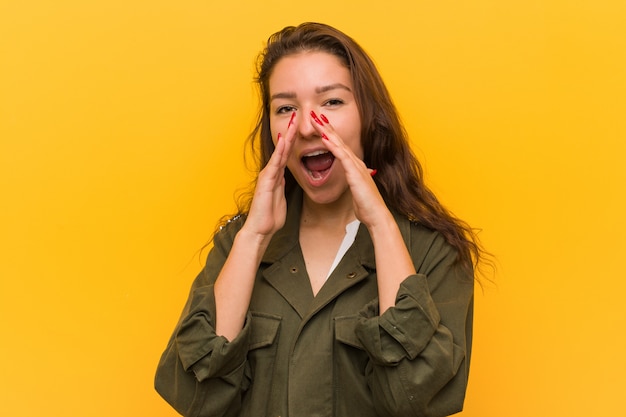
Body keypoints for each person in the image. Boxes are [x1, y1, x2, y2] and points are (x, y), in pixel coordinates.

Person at [155, 22, 487, 417]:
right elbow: (192, 396)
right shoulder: (238, 244)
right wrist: (253, 237)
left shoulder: (433, 251)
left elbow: (417, 397)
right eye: (286, 109)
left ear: (369, 117)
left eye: (332, 102)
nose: (309, 127)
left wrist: (381, 225)